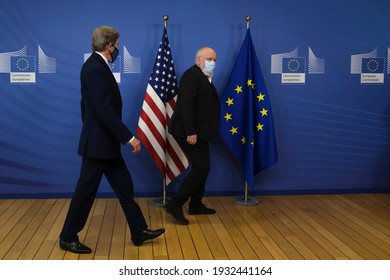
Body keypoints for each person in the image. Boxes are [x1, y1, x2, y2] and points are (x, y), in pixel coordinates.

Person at [59, 26, 165, 254]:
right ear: (109, 45)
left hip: (105, 144)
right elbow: (104, 110)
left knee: (125, 187)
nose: (117, 48)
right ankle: (67, 237)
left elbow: (89, 108)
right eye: (116, 44)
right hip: (98, 146)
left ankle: (138, 231)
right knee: (85, 193)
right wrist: (129, 138)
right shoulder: (95, 68)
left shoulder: (97, 67)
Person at [165, 47, 220, 225]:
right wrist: (190, 132)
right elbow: (185, 106)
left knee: (203, 167)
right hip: (188, 131)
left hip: (200, 131)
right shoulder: (192, 75)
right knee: (202, 167)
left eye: (215, 60)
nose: (212, 62)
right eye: (209, 59)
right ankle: (175, 203)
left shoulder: (203, 76)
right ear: (198, 60)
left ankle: (196, 204)